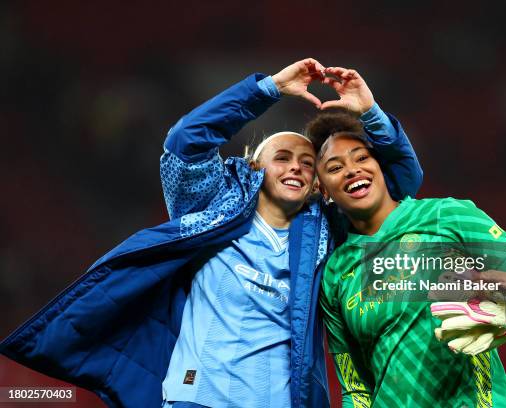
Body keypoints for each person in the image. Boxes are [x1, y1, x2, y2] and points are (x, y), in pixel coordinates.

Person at [0, 59, 423, 408]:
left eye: (308, 163)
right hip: (195, 400)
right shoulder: (213, 205)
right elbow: (186, 141)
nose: (296, 166)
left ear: (317, 185)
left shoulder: (327, 232)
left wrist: (369, 112)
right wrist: (269, 89)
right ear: (255, 167)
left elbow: (400, 183)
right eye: (282, 157)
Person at [309, 71, 506, 407]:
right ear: (323, 189)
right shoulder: (337, 273)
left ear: (380, 165)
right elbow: (355, 387)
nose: (353, 169)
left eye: (362, 158)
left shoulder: (447, 215)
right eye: (335, 167)